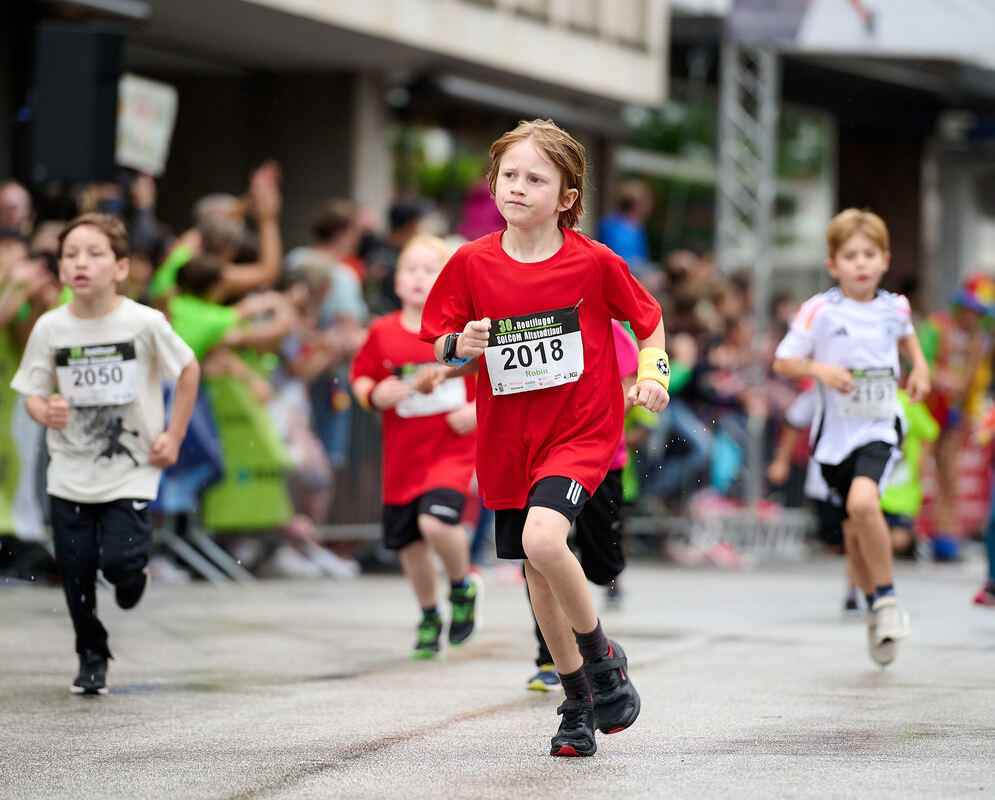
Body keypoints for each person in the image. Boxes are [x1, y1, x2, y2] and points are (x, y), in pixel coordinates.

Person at [421, 119, 669, 758]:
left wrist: (653, 375)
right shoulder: (471, 261)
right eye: (509, 175)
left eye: (537, 178)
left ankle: (602, 657)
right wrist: (460, 345)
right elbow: (441, 340)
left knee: (542, 537)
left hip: (579, 431)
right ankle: (577, 700)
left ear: (566, 196)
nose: (519, 187)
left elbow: (650, 323)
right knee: (536, 567)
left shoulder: (592, 261)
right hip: (508, 439)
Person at [11, 213, 199, 694]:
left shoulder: (143, 322)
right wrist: (44, 411)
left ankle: (133, 575)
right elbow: (31, 390)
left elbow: (189, 368)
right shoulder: (50, 328)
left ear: (120, 268)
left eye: (95, 254)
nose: (81, 263)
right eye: (70, 254)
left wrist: (174, 436)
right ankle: (91, 654)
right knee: (74, 571)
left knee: (116, 564)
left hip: (130, 469)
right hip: (69, 471)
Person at [773, 208, 930, 668]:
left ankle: (886, 600)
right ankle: (873, 606)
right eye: (850, 255)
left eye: (869, 254)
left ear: (884, 259)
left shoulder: (895, 307)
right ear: (833, 264)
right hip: (833, 437)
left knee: (865, 506)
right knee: (853, 531)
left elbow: (910, 346)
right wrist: (820, 368)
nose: (860, 263)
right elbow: (784, 361)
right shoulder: (819, 309)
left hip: (881, 425)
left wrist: (919, 370)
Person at [351, 235, 480, 659]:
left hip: (452, 449)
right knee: (411, 544)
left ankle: (462, 587)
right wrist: (374, 395)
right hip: (403, 458)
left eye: (430, 269)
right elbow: (362, 377)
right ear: (396, 279)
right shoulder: (382, 331)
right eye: (410, 268)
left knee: (436, 524)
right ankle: (429, 615)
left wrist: (477, 410)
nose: (419, 276)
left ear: (447, 279)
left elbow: (497, 377)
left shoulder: (460, 331)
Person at [525, 320, 638, 692]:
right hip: (543, 459)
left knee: (602, 565)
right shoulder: (531, 323)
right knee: (544, 553)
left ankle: (607, 579)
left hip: (601, 457)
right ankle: (551, 656)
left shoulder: (607, 328)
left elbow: (626, 387)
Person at [918, 273, 995, 560]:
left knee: (950, 477)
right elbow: (918, 361)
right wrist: (938, 377)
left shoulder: (981, 341)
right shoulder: (936, 327)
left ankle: (946, 537)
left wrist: (974, 414)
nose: (973, 317)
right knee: (918, 472)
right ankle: (907, 534)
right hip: (923, 412)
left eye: (980, 312)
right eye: (971, 310)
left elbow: (978, 383)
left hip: (953, 417)